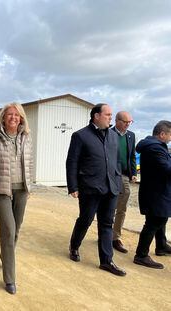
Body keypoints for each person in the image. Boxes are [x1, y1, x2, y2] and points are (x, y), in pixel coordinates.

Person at [66, 103, 126, 276]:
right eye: (107, 114)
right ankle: (74, 246)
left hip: (111, 187)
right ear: (96, 116)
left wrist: (118, 180)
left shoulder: (114, 137)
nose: (110, 118)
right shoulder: (80, 136)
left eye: (111, 115)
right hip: (90, 187)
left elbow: (117, 161)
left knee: (107, 223)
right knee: (85, 219)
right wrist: (73, 186)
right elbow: (72, 162)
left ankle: (106, 261)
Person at [0, 103, 33, 295]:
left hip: (22, 189)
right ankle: (10, 279)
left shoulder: (27, 137)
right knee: (8, 229)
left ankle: (6, 255)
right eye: (10, 115)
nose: (13, 117)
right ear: (3, 118)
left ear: (21, 118)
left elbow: (29, 163)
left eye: (17, 115)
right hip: (1, 190)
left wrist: (29, 187)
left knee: (16, 229)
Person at [133, 120, 171, 269]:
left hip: (157, 191)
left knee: (161, 219)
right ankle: (141, 255)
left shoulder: (155, 146)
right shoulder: (155, 148)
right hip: (156, 192)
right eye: (169, 135)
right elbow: (167, 169)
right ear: (162, 134)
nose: (170, 139)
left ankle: (161, 246)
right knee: (154, 222)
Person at [111, 111, 137, 253]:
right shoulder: (108, 133)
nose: (128, 125)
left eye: (130, 122)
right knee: (109, 206)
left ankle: (115, 238)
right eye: (126, 122)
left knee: (122, 207)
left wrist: (133, 173)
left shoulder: (131, 135)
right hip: (110, 175)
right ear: (117, 121)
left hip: (124, 175)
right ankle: (106, 233)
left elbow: (132, 155)